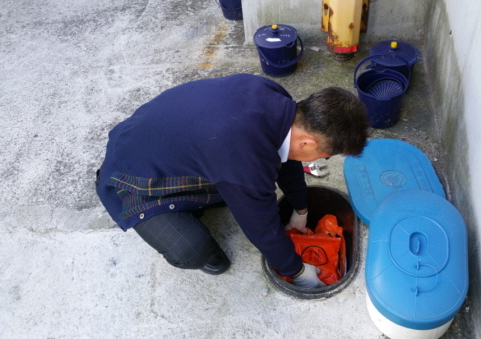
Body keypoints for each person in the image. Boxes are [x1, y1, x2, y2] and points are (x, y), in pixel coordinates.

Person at [96, 73, 369, 288]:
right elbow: (260, 226)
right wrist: (297, 270)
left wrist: (301, 209)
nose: (323, 158)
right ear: (308, 141)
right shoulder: (240, 153)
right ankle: (192, 241)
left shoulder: (281, 104)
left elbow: (287, 157)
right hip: (132, 177)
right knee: (192, 249)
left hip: (164, 143)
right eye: (326, 154)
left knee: (242, 188)